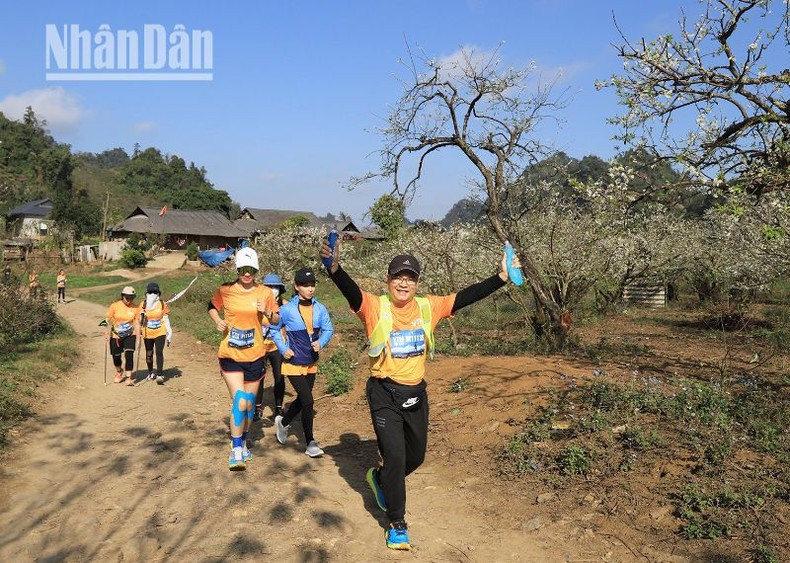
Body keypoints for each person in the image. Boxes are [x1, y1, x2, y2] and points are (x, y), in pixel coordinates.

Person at [320, 240, 521, 551]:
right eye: (398, 276)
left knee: (416, 456)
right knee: (397, 458)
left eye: (410, 277)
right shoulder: (376, 306)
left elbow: (465, 297)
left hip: (416, 392)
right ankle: (397, 523)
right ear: (388, 280)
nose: (404, 282)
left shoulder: (428, 307)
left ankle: (382, 478)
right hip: (384, 392)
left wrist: (501, 278)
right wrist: (334, 269)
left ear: (416, 283)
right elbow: (352, 292)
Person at [208, 247, 279, 471]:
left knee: (249, 407)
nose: (246, 274)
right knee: (240, 401)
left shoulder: (265, 292)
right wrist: (217, 320)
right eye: (242, 269)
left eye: (251, 270)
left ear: (256, 270)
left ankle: (244, 441)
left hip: (255, 355)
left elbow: (276, 320)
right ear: (236, 269)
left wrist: (267, 312)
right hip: (230, 354)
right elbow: (211, 306)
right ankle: (236, 448)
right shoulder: (226, 290)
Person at [272, 268, 334, 458]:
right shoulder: (286, 310)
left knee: (302, 399)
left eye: (312, 285)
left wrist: (320, 342)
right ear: (297, 287)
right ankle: (310, 442)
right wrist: (284, 349)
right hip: (293, 362)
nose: (310, 289)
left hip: (310, 362)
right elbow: (275, 330)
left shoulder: (320, 308)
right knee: (308, 401)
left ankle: (282, 423)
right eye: (306, 285)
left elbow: (328, 329)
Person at [254, 273, 287, 421]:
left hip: (277, 347)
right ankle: (257, 408)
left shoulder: (284, 305)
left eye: (275, 287)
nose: (272, 290)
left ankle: (279, 409)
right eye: (269, 287)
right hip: (260, 346)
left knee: (279, 376)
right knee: (259, 376)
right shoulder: (258, 303)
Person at [105, 286, 140, 386]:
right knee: (116, 357)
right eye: (127, 298)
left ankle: (129, 377)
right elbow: (107, 319)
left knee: (129, 354)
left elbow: (137, 323)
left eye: (132, 298)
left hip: (130, 335)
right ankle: (119, 371)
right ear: (122, 296)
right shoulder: (114, 306)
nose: (129, 300)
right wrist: (106, 331)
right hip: (116, 335)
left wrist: (138, 338)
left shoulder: (135, 308)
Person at [139, 282, 172, 385]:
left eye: (155, 292)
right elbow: (139, 321)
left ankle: (160, 374)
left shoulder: (162, 304)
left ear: (158, 293)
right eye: (150, 292)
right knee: (149, 353)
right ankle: (150, 372)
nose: (153, 294)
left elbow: (166, 318)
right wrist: (142, 317)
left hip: (160, 332)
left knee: (159, 352)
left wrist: (169, 332)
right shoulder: (143, 304)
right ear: (147, 293)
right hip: (147, 332)